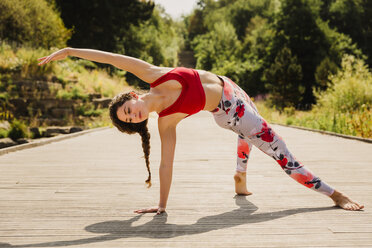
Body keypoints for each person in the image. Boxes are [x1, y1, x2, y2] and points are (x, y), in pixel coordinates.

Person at [38, 48, 364, 214]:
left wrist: (69, 51)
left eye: (128, 110)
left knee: (254, 128)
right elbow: (167, 165)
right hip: (230, 112)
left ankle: (240, 177)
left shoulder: (154, 74)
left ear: (132, 96)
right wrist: (162, 206)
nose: (135, 116)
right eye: (131, 121)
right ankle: (335, 194)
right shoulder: (166, 121)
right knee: (280, 150)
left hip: (230, 86)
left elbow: (112, 59)